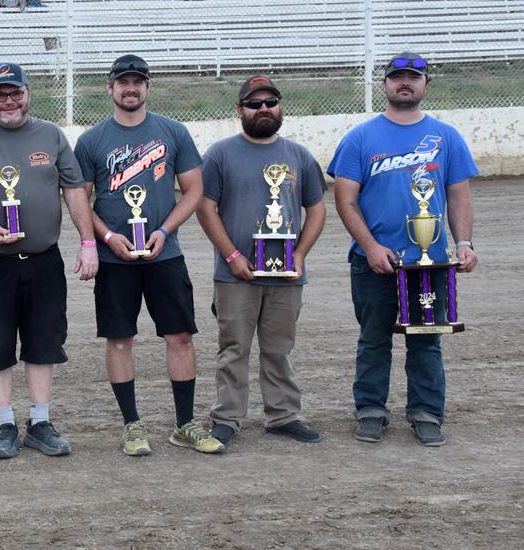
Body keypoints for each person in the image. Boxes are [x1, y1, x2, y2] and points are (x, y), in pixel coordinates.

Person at [74, 54, 224, 456]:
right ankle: (132, 425)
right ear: (110, 88)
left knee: (179, 336)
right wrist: (106, 239)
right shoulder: (91, 141)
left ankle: (185, 423)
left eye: (138, 81)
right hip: (114, 259)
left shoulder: (172, 132)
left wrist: (163, 230)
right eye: (123, 82)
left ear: (147, 87)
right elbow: (77, 200)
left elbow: (193, 190)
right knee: (120, 340)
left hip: (164, 253)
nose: (131, 88)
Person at [329, 51, 479, 447]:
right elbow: (345, 200)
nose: (404, 83)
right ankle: (371, 409)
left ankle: (426, 411)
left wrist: (462, 243)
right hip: (373, 262)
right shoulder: (361, 137)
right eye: (397, 77)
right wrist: (371, 246)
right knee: (374, 338)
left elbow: (459, 196)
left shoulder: (446, 137)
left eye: (413, 76)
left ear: (426, 84)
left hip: (430, 263)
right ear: (385, 85)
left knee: (427, 338)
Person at [0, 62, 97, 459]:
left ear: (28, 93)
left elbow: (74, 189)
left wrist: (88, 242)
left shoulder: (50, 135)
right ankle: (4, 423)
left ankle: (40, 421)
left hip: (43, 259)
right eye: (1, 94)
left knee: (43, 341)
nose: (9, 101)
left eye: (16, 93)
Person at [196, 76, 327, 448]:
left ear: (280, 106)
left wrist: (299, 254)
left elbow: (316, 210)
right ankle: (227, 417)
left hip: (286, 275)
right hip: (235, 274)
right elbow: (206, 210)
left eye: (270, 102)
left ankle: (283, 415)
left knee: (279, 347)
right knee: (234, 347)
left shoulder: (298, 156)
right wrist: (232, 256)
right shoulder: (220, 154)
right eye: (254, 104)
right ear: (240, 110)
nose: (263, 109)